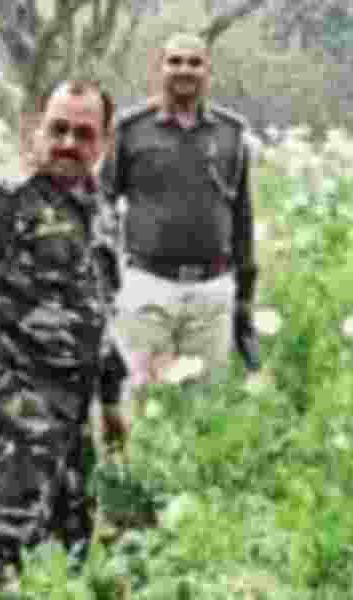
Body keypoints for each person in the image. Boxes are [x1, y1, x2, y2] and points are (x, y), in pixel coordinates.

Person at [0, 79, 129, 589]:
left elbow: (100, 310)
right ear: (37, 131)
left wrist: (112, 401)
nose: (69, 143)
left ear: (104, 143)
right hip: (18, 412)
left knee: (66, 554)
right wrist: (5, 394)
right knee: (3, 553)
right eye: (59, 129)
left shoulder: (102, 212)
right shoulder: (2, 203)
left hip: (77, 415)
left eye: (84, 134)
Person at [99, 32, 260, 397]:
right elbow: (103, 201)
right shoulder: (130, 130)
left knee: (205, 410)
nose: (184, 70)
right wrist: (108, 278)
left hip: (212, 292)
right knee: (142, 401)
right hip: (148, 287)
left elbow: (242, 216)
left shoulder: (231, 134)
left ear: (207, 71)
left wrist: (245, 295)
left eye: (194, 62)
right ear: (159, 68)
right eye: (175, 61)